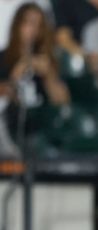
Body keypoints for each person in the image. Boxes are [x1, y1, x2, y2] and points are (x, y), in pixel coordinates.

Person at [0, 2, 70, 156]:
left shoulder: (49, 60)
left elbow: (62, 100)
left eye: (39, 26)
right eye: (29, 23)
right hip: (11, 122)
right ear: (18, 25)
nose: (33, 30)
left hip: (41, 126)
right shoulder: (4, 58)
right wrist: (18, 72)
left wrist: (49, 76)